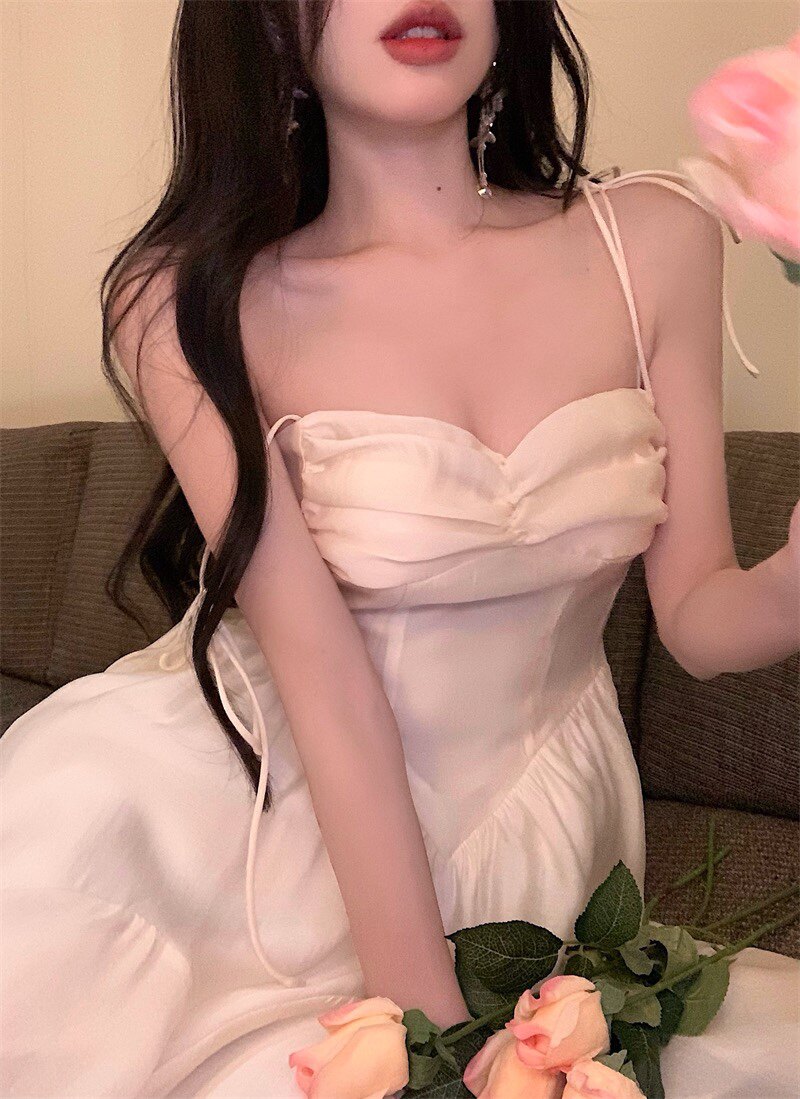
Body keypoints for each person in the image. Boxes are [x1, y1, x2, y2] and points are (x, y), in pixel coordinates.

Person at [1, 1, 798, 1096]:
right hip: (248, 818)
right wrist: (425, 1036)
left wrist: (790, 579)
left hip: (539, 819)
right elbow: (325, 683)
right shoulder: (185, 299)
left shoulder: (653, 240)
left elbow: (700, 620)